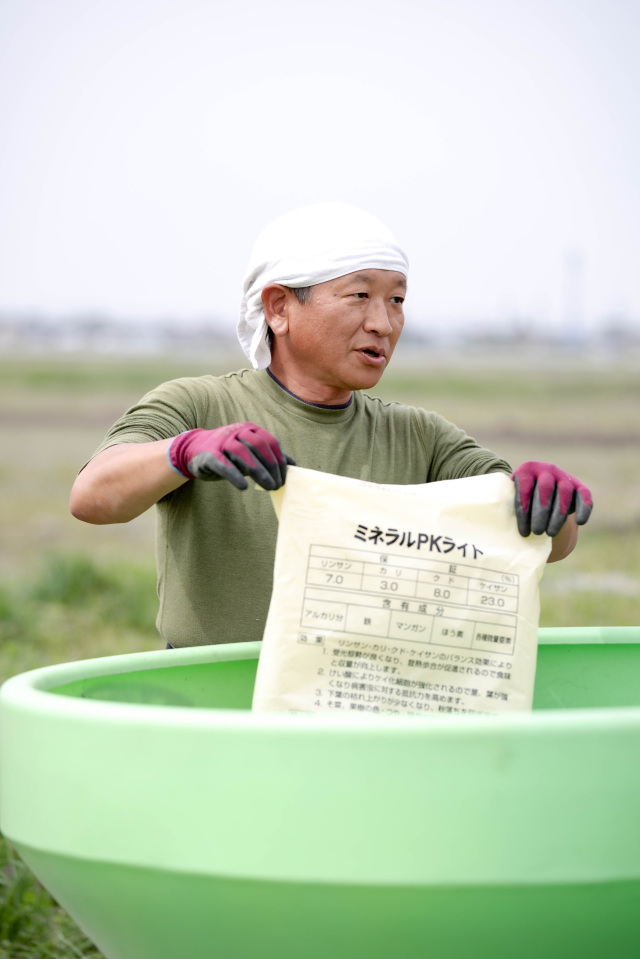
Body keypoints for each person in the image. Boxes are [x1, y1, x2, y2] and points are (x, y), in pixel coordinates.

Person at [70, 202, 592, 649]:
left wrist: (551, 500)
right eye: (359, 296)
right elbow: (92, 497)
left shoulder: (420, 437)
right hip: (215, 702)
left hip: (359, 702)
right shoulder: (199, 405)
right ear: (279, 308)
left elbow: (555, 539)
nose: (383, 324)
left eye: (397, 300)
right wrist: (184, 452)